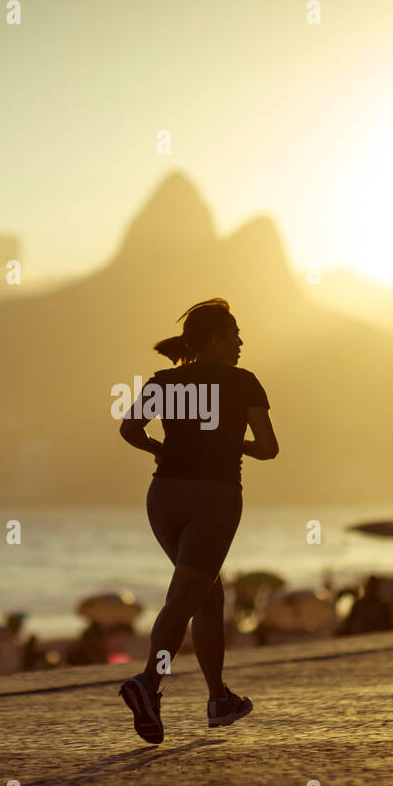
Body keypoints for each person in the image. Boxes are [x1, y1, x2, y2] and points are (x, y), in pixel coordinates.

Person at [117, 298, 278, 744]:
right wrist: (230, 443)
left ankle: (217, 698)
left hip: (163, 496)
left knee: (206, 593)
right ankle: (149, 682)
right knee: (187, 595)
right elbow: (267, 447)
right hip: (214, 496)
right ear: (214, 340)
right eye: (235, 334)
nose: (241, 341)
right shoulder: (244, 383)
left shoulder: (165, 382)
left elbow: (129, 430)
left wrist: (160, 449)